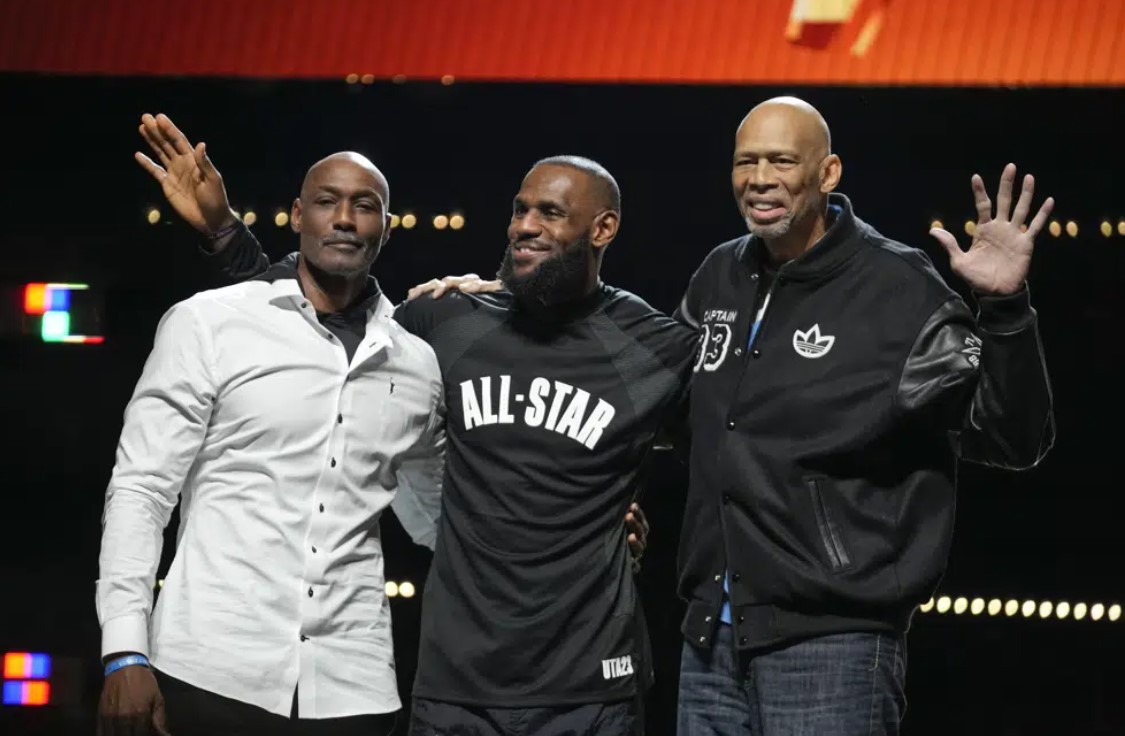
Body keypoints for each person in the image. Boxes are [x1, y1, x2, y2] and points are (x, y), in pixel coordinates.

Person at [134, 113, 688, 735]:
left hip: (592, 688)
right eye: (519, 209)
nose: (525, 227)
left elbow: (733, 452)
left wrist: (636, 517)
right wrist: (224, 234)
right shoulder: (446, 324)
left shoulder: (655, 349)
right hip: (456, 686)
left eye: (550, 214)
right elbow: (318, 326)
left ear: (603, 227)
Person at [672, 97, 1055, 735]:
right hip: (710, 636)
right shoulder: (721, 274)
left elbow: (1013, 437)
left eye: (782, 160)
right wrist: (509, 304)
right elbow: (666, 400)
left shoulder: (896, 288)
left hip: (833, 644)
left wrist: (1006, 309)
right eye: (746, 161)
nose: (760, 177)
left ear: (828, 174)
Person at [97, 149, 447, 736]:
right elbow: (142, 489)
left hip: (353, 689)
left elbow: (439, 515)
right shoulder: (209, 322)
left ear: (385, 228)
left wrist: (581, 527)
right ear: (295, 215)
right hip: (209, 667)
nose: (344, 218)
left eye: (365, 206)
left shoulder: (417, 364)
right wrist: (125, 650)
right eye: (326, 202)